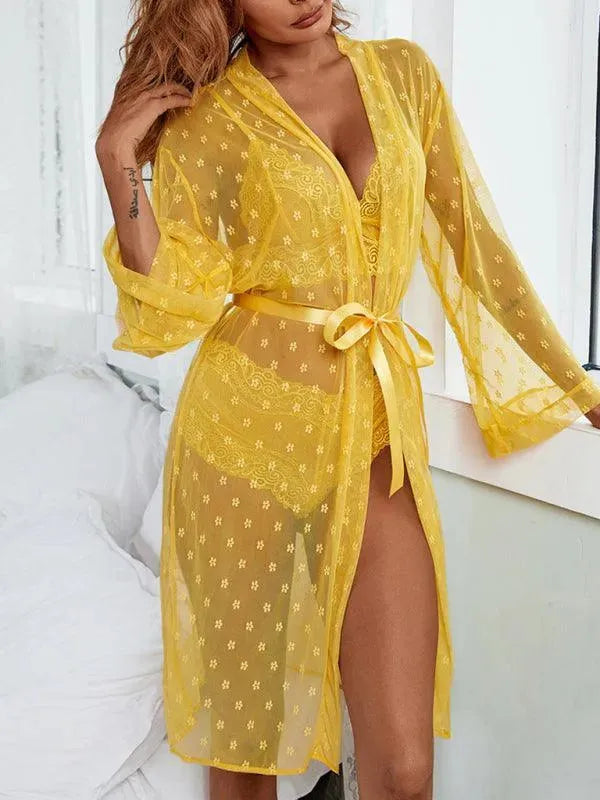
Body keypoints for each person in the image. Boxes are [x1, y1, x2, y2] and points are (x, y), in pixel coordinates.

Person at [96, 2, 600, 798]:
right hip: (243, 443)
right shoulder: (211, 115)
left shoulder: (403, 75)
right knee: (247, 760)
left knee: (403, 771)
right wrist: (118, 160)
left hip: (373, 436)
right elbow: (168, 312)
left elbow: (476, 248)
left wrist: (579, 390)